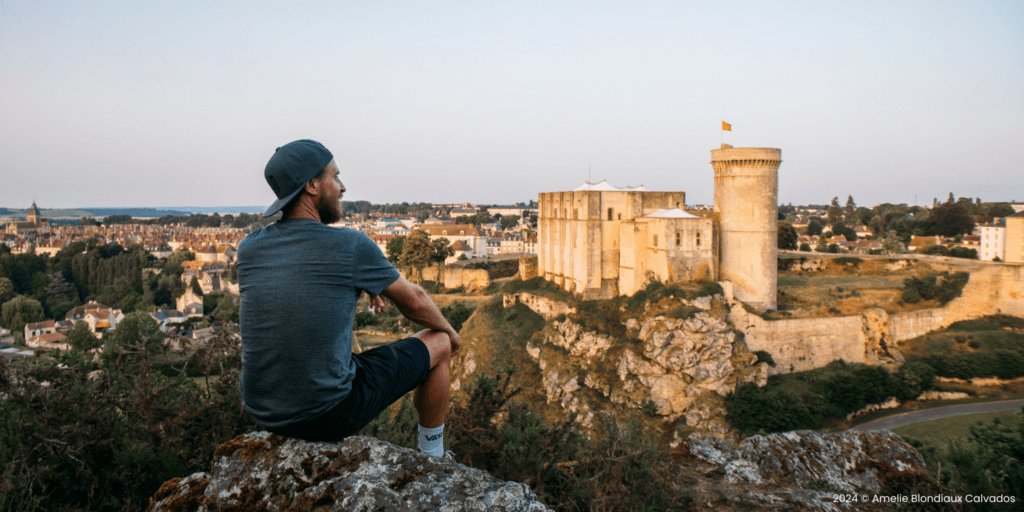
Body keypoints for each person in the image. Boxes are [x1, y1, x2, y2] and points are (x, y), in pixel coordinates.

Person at [236, 139, 461, 457]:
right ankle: (434, 454)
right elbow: (416, 300)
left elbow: (301, 291)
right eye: (335, 177)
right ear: (313, 185)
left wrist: (363, 283)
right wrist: (452, 335)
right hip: (328, 413)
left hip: (264, 412)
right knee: (437, 341)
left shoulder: (249, 248)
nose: (342, 188)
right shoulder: (350, 244)